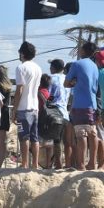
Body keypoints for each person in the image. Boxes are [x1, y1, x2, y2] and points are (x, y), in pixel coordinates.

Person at [64, 42, 99, 170]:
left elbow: (66, 83)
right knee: (92, 133)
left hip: (79, 104)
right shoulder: (95, 66)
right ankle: (92, 163)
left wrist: (74, 83)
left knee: (81, 135)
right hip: (92, 104)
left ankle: (81, 164)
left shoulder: (76, 64)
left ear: (83, 51)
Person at [11, 41, 42, 169]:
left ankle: (24, 164)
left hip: (23, 108)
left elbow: (19, 90)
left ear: (22, 53)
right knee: (34, 138)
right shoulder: (38, 68)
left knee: (23, 137)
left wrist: (14, 109)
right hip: (35, 107)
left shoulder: (21, 68)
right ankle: (34, 164)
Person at [48, 58, 71, 169]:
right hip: (65, 112)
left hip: (55, 112)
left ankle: (58, 164)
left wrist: (48, 102)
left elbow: (50, 95)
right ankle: (66, 163)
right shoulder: (67, 78)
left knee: (56, 140)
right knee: (64, 140)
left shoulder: (51, 78)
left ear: (53, 67)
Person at [38, 74, 54, 168]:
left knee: (36, 143)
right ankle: (48, 165)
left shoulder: (38, 92)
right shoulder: (49, 94)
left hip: (40, 119)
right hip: (49, 120)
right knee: (49, 144)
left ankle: (34, 163)